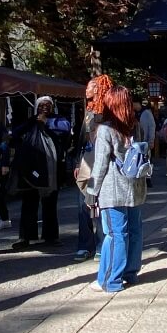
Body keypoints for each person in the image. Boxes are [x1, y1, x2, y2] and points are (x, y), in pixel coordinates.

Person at [85, 86, 148, 293]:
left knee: (115, 234)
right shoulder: (135, 126)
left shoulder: (106, 129)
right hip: (135, 186)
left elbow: (100, 164)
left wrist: (91, 192)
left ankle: (111, 280)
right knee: (135, 231)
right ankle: (130, 273)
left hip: (113, 189)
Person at [9, 96, 64, 250]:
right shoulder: (31, 121)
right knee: (29, 203)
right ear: (37, 107)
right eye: (41, 105)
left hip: (52, 169)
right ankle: (26, 237)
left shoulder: (58, 120)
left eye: (48, 105)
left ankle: (51, 236)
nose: (45, 107)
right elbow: (16, 133)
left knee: (50, 203)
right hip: (32, 169)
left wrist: (47, 123)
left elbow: (64, 130)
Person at [70, 75, 111, 262]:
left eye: (89, 87)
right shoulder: (88, 111)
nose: (86, 90)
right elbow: (81, 140)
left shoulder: (108, 111)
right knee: (83, 205)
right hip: (86, 162)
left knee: (101, 205)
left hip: (102, 162)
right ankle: (85, 245)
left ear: (98, 89)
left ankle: (102, 244)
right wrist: (77, 162)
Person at [137, 99, 156, 189]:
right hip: (138, 142)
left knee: (147, 160)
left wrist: (151, 140)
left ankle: (148, 178)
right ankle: (142, 178)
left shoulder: (146, 113)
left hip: (145, 141)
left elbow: (152, 126)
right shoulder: (136, 113)